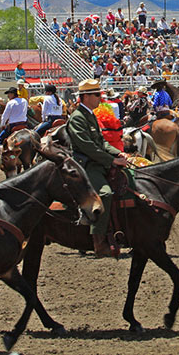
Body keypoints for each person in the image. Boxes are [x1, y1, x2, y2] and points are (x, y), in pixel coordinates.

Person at [67, 79, 127, 257]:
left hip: (98, 161)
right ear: (85, 97)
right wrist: (112, 161)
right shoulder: (77, 118)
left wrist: (118, 153)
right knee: (105, 194)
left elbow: (101, 142)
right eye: (96, 95)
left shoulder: (90, 115)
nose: (100, 98)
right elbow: (88, 147)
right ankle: (99, 242)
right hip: (87, 164)